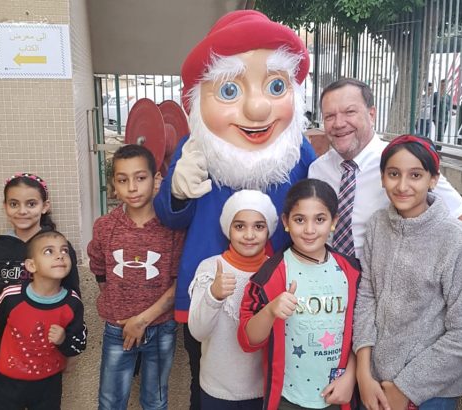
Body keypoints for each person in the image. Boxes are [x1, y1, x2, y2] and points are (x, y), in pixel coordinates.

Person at [154, 10, 316, 409]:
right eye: (230, 91)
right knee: (206, 381)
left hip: (277, 292)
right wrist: (177, 191)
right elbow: (170, 217)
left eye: (275, 86)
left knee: (274, 379)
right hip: (213, 289)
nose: (257, 109)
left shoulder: (297, 151)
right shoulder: (196, 148)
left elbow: (317, 211)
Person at [353, 135, 462, 410]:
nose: (403, 186)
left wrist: (406, 389)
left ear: (433, 179)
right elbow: (367, 297)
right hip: (375, 385)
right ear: (382, 178)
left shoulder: (458, 241)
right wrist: (363, 373)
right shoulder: (378, 225)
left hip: (430, 394)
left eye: (415, 175)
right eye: (394, 174)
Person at [308, 78, 462, 260]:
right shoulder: (317, 170)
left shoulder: (404, 163)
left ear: (372, 114)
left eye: (349, 112)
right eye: (329, 116)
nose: (338, 123)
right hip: (328, 273)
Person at [238, 178, 359, 410]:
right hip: (287, 399)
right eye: (300, 220)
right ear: (286, 222)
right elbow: (248, 340)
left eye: (320, 219)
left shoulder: (351, 272)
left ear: (334, 221)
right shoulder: (269, 276)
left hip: (338, 396)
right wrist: (270, 311)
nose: (309, 230)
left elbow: (361, 332)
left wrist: (351, 376)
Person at [87, 144, 185, 410]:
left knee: (155, 401)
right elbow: (100, 270)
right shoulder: (104, 227)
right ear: (113, 185)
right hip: (117, 329)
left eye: (140, 178)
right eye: (123, 180)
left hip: (161, 328)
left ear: (156, 180)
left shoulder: (173, 228)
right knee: (110, 401)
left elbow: (179, 283)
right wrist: (118, 305)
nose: (132, 187)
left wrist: (141, 320)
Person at [0, 230, 87, 410]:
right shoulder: (11, 296)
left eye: (64, 250)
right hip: (4, 384)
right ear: (31, 265)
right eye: (48, 251)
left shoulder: (73, 303)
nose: (60, 255)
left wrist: (64, 340)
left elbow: (79, 343)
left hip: (47, 387)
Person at [0, 173, 81, 361]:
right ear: (5, 206)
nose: (22, 211)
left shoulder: (59, 248)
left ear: (44, 206)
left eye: (31, 204)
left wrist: (68, 346)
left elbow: (73, 298)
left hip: (47, 347)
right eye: (14, 204)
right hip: (6, 347)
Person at [188, 189, 278, 409]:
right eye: (240, 226)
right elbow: (197, 332)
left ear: (268, 230)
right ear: (228, 228)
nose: (249, 235)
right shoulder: (210, 268)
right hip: (216, 391)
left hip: (263, 390)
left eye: (258, 226)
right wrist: (213, 295)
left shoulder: (277, 270)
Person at [432, 79, 454, 146]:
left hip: (445, 118)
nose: (443, 87)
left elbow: (449, 107)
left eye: (444, 85)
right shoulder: (435, 94)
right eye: (442, 85)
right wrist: (440, 97)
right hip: (437, 117)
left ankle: (439, 147)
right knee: (440, 133)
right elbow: (433, 104)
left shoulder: (448, 97)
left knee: (442, 134)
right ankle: (438, 148)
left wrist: (451, 111)